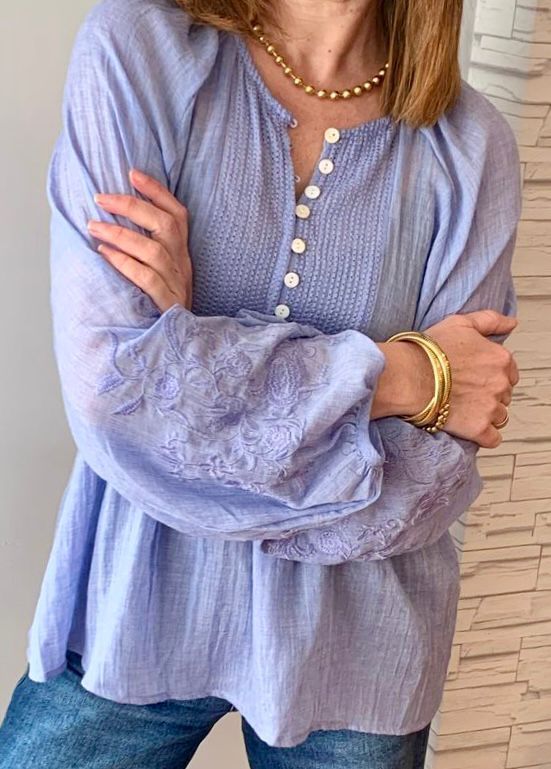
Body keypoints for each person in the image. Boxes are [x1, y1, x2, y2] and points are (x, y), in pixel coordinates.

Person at [0, 0, 521, 766]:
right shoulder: (140, 50)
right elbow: (113, 389)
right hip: (132, 614)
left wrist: (189, 351)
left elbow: (433, 476)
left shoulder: (471, 145)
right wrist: (404, 375)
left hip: (360, 656)